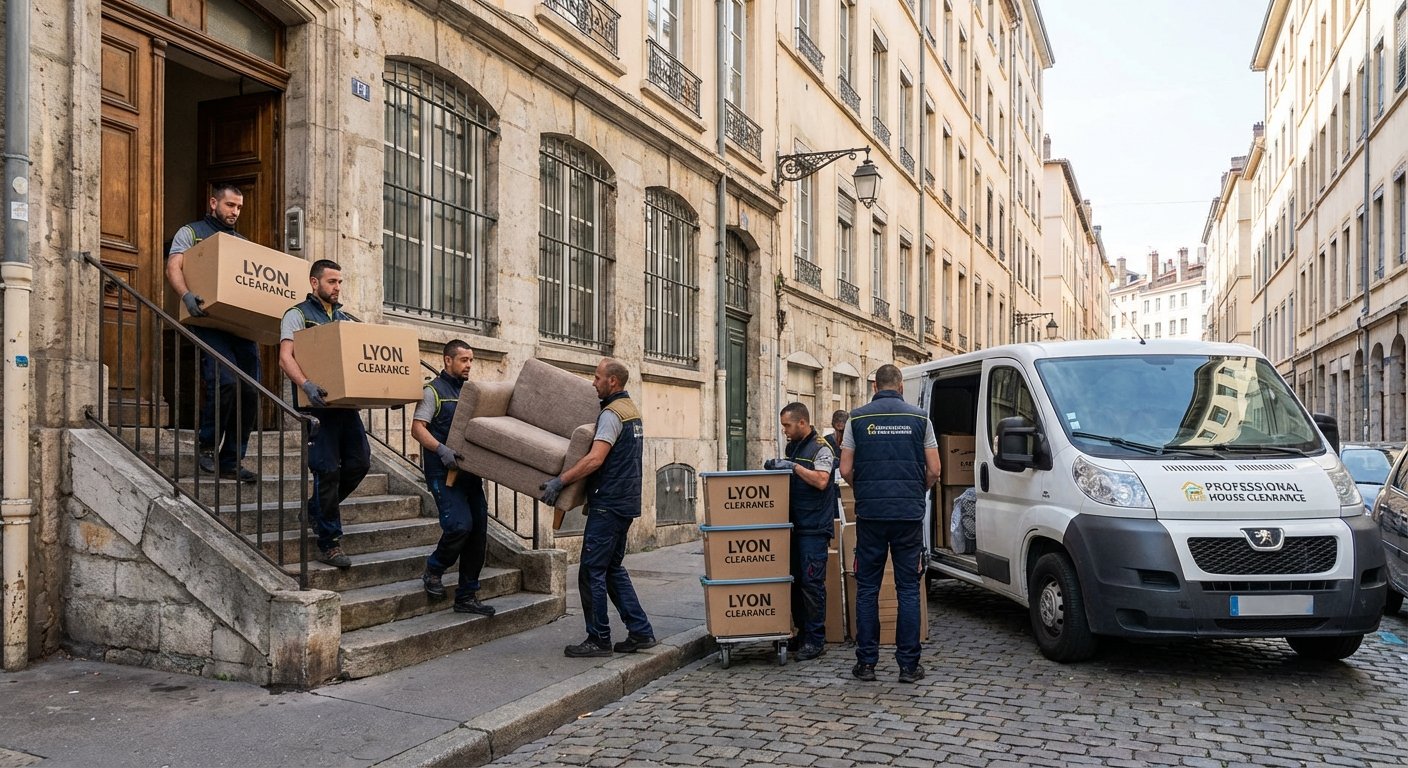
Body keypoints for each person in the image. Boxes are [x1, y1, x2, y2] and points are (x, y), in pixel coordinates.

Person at [539, 358, 656, 658]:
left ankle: (598, 639)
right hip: (626, 501)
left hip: (609, 503)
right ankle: (641, 632)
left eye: (597, 377)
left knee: (591, 570)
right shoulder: (632, 411)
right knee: (612, 569)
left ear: (612, 382)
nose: (593, 383)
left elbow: (595, 459)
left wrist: (560, 481)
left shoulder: (611, 415)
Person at [840, 363, 941, 684]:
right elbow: (935, 469)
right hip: (908, 516)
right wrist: (916, 490)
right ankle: (908, 666)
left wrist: (865, 491)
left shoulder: (857, 417)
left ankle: (866, 664)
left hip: (870, 515)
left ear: (874, 387)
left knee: (867, 589)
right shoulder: (920, 418)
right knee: (908, 588)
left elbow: (844, 470)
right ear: (900, 388)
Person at [277, 259, 370, 569]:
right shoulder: (298, 315)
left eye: (340, 282)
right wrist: (306, 384)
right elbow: (285, 357)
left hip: (345, 407)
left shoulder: (345, 320)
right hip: (317, 408)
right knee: (327, 471)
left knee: (359, 463)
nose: (337, 287)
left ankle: (315, 509)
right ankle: (329, 542)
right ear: (314, 283)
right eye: (332, 281)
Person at [165, 183, 258, 482]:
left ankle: (231, 459)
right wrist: (186, 295)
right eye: (230, 205)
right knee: (225, 382)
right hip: (207, 319)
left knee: (249, 391)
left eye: (239, 207)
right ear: (214, 202)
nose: (235, 212)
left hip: (240, 326)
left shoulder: (242, 242)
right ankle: (207, 446)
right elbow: (174, 266)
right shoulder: (191, 233)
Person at [410, 340, 496, 616]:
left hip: (470, 473)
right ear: (448, 361)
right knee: (459, 525)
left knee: (478, 533)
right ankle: (434, 568)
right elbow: (417, 429)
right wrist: (440, 449)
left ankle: (467, 596)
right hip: (442, 471)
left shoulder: (472, 392)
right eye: (464, 360)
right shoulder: (432, 391)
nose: (469, 365)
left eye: (471, 360)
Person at [764, 403, 838, 661]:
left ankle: (816, 640)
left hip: (814, 528)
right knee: (795, 583)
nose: (784, 430)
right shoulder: (793, 447)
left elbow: (821, 480)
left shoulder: (821, 448)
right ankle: (802, 633)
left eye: (787, 425)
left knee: (811, 584)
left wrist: (792, 467)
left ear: (802, 423)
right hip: (794, 526)